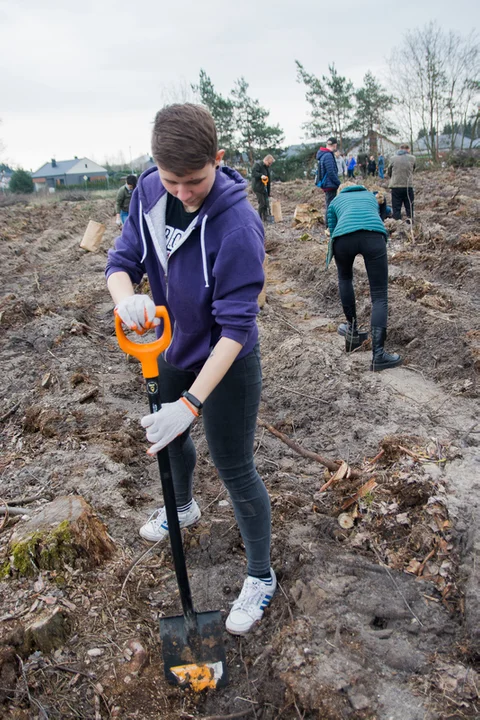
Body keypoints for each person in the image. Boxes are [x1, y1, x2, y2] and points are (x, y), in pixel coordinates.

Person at [106, 104, 276, 636]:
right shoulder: (148, 193)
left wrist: (191, 404)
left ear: (218, 161)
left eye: (194, 180)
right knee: (170, 441)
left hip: (227, 363)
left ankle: (260, 575)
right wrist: (124, 300)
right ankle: (181, 507)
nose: (182, 192)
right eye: (171, 179)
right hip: (169, 349)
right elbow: (121, 261)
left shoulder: (238, 226)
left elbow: (235, 329)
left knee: (234, 466)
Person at [326, 182, 402, 371]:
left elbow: (331, 228)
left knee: (345, 279)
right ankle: (378, 355)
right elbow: (387, 212)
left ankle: (352, 332)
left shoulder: (335, 201)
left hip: (343, 240)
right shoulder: (371, 195)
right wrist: (383, 205)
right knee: (379, 294)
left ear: (342, 189)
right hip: (372, 237)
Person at [388, 144, 416, 222]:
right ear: (408, 149)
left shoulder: (393, 158)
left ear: (400, 149)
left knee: (396, 208)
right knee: (409, 207)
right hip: (408, 186)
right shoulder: (412, 158)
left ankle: (397, 223)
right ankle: (410, 223)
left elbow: (389, 171)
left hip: (396, 186)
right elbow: (413, 169)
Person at [316, 137, 340, 224]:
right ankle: (329, 226)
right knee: (330, 206)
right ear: (334, 145)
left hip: (327, 184)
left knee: (329, 204)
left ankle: (329, 224)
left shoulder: (323, 154)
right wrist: (339, 183)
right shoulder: (328, 155)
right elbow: (331, 172)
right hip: (330, 185)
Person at [251, 154, 275, 222]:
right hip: (258, 187)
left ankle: (265, 218)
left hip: (264, 188)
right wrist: (261, 176)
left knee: (266, 204)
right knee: (262, 203)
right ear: (266, 160)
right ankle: (258, 218)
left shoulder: (266, 167)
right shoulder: (258, 164)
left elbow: (268, 180)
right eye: (269, 163)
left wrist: (269, 192)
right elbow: (253, 173)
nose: (270, 165)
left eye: (271, 163)